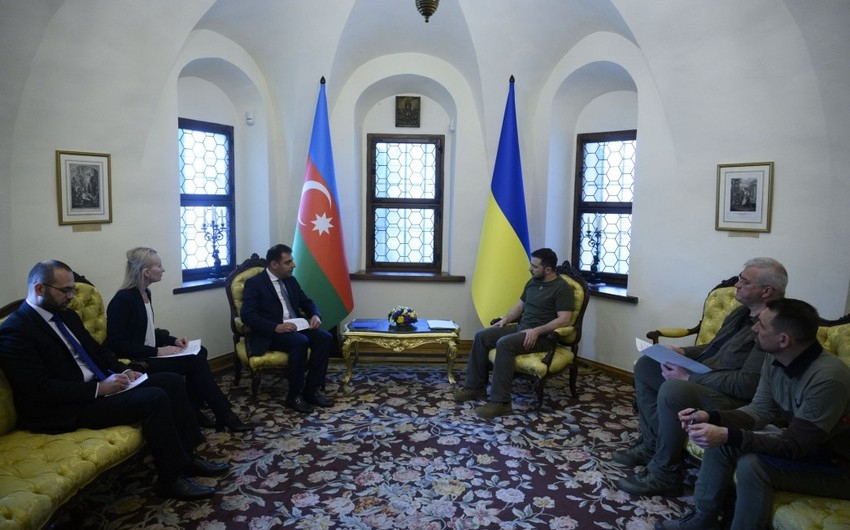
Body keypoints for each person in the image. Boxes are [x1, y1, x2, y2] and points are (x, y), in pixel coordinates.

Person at [0, 260, 229, 500]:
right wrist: (99, 389)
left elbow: (97, 351)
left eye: (73, 290)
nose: (71, 296)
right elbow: (39, 389)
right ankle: (170, 479)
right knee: (154, 398)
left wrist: (124, 370)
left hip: (98, 386)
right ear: (39, 289)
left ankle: (188, 459)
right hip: (66, 407)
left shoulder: (66, 316)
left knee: (171, 381)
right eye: (65, 290)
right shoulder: (16, 330)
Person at [657, 299, 850, 530]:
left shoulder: (828, 379)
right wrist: (711, 417)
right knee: (724, 441)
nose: (754, 328)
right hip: (810, 447)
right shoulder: (775, 357)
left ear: (783, 339)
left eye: (762, 325)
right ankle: (703, 517)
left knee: (752, 466)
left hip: (838, 466)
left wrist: (727, 434)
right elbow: (759, 411)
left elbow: (795, 446)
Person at [616, 257, 788, 496]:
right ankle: (652, 443)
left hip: (737, 400)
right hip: (708, 379)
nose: (737, 284)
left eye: (745, 281)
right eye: (739, 278)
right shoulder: (741, 313)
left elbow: (747, 385)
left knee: (674, 389)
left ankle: (665, 473)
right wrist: (682, 352)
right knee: (647, 365)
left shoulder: (773, 326)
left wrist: (688, 379)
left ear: (766, 291)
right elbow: (715, 348)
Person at [106, 247, 254, 432]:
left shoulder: (145, 293)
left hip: (149, 353)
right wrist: (158, 351)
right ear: (146, 272)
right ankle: (225, 415)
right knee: (195, 363)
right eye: (159, 266)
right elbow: (116, 344)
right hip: (137, 362)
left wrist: (173, 341)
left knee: (201, 352)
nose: (163, 269)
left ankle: (194, 409)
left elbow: (147, 331)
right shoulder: (122, 300)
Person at [454, 248, 574, 419]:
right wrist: (506, 319)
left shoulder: (562, 288)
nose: (530, 269)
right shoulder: (532, 282)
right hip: (521, 327)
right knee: (482, 336)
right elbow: (519, 307)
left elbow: (564, 319)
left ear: (548, 269)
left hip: (542, 336)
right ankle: (475, 387)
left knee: (505, 344)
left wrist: (536, 330)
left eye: (534, 266)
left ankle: (501, 402)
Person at [240, 244, 334, 414]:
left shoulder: (291, 280)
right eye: (288, 262)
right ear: (274, 264)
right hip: (272, 332)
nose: (293, 265)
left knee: (325, 338)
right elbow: (247, 315)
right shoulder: (255, 284)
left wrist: (315, 315)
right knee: (300, 341)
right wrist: (276, 327)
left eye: (292, 261)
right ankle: (294, 395)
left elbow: (307, 302)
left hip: (296, 327)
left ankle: (311, 390)